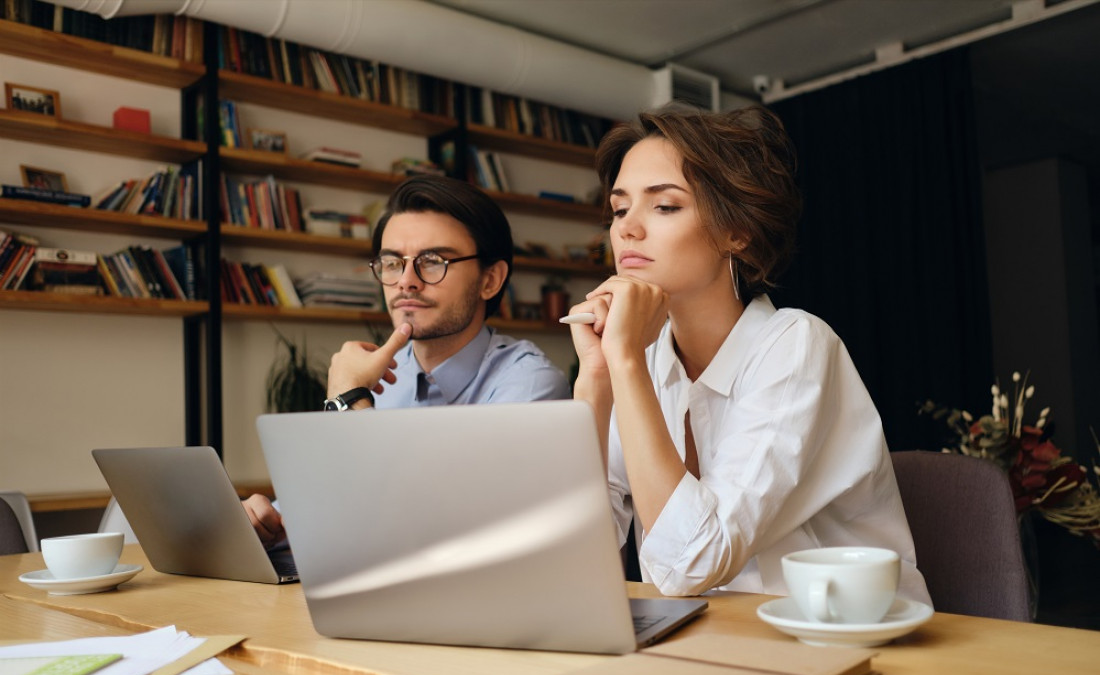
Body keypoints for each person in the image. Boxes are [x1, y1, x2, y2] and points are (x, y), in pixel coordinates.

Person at [564, 103, 931, 603]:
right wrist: (597, 378)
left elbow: (693, 565)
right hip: (703, 646)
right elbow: (570, 556)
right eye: (620, 207)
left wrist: (625, 361)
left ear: (737, 233)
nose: (627, 228)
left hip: (841, 641)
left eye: (665, 206)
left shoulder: (797, 345)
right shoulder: (641, 360)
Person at [246, 176, 571, 546]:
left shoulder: (529, 384)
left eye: (433, 262)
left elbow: (443, 529)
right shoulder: (378, 378)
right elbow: (326, 504)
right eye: (392, 263)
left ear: (490, 280)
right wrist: (267, 519)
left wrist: (349, 400)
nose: (406, 281)